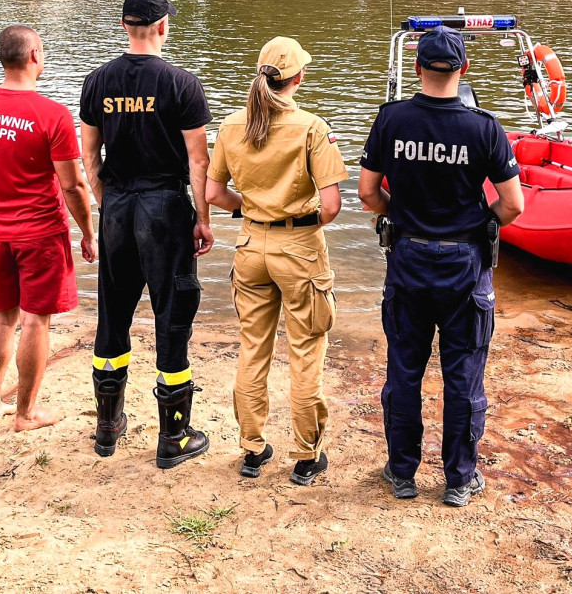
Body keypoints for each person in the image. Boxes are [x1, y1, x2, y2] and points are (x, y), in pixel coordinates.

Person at [358, 26, 524, 504]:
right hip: (465, 265)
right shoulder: (484, 128)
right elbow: (513, 206)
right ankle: (459, 479)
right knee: (464, 374)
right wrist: (475, 224)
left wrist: (404, 215)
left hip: (408, 258)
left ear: (416, 69)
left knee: (405, 371)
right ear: (464, 70)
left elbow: (369, 194)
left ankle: (402, 473)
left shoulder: (391, 120)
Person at [79, 0, 215, 469]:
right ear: (161, 27)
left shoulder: (97, 82)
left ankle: (107, 428)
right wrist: (203, 218)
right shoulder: (182, 83)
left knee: (112, 317)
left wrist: (106, 202)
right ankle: (174, 438)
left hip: (117, 207)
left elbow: (88, 157)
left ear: (124, 26)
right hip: (164, 209)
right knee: (172, 316)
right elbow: (199, 161)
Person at [206, 37, 348, 486]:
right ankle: (306, 455)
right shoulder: (311, 128)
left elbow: (212, 194)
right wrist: (297, 213)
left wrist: (249, 209)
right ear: (298, 78)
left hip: (250, 247)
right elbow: (330, 206)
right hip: (300, 248)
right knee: (306, 351)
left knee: (254, 349)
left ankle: (252, 449)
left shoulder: (232, 126)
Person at [0, 25, 97, 432]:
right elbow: (72, 184)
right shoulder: (51, 114)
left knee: (1, 317)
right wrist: (87, 231)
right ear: (34, 55)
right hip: (40, 233)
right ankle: (26, 414)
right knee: (36, 320)